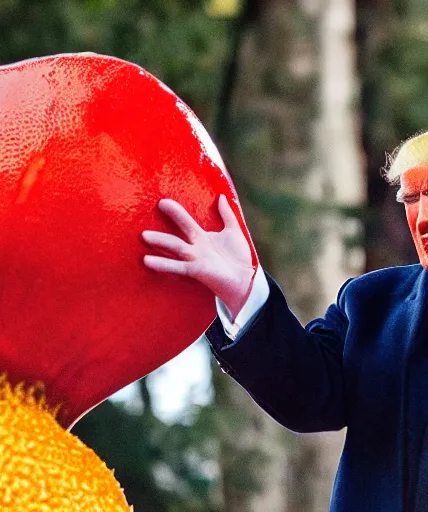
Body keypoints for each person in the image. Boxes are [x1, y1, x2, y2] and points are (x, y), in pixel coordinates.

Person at [142, 131, 428, 512]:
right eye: (411, 198)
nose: (422, 218)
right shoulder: (370, 303)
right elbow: (306, 394)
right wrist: (243, 291)